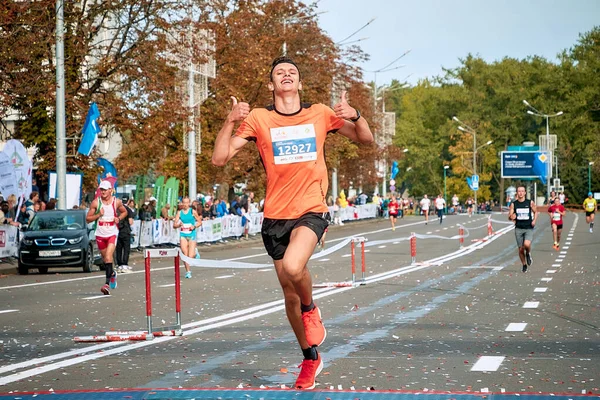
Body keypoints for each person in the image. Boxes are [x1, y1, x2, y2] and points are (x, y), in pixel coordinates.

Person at [211, 56, 373, 390]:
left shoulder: (319, 114)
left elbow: (365, 139)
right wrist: (229, 120)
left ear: (299, 84)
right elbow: (219, 158)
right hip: (275, 216)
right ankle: (310, 357)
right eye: (279, 73)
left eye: (292, 73)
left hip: (311, 209)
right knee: (288, 294)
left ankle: (311, 309)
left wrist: (355, 114)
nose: (286, 75)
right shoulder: (259, 118)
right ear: (271, 85)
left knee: (295, 266)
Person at [86, 180, 128, 295]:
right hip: (100, 233)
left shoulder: (116, 202)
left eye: (105, 190)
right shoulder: (96, 202)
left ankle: (106, 285)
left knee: (109, 258)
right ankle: (112, 274)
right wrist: (99, 215)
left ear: (110, 190)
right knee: (105, 260)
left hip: (112, 232)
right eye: (101, 190)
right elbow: (88, 218)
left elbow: (124, 212)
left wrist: (118, 218)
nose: (103, 192)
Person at [508, 185, 538, 272]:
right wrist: (511, 217)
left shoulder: (530, 202)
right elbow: (510, 216)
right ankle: (524, 264)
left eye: (522, 191)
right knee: (521, 249)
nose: (520, 193)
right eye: (519, 191)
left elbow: (536, 212)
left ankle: (528, 253)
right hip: (518, 228)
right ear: (517, 193)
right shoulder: (514, 204)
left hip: (528, 227)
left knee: (527, 244)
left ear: (525, 192)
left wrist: (534, 220)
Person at [173, 196, 202, 279]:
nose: (185, 204)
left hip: (191, 234)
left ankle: (195, 253)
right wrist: (178, 225)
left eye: (186, 203)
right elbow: (174, 225)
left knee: (190, 256)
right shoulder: (179, 213)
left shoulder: (193, 211)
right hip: (183, 235)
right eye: (184, 203)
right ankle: (188, 271)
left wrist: (194, 226)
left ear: (189, 203)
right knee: (185, 255)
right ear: (182, 203)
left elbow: (200, 222)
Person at [116, 197, 135, 272]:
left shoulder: (117, 209)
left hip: (118, 231)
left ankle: (119, 264)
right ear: (128, 201)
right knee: (126, 248)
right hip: (126, 231)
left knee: (118, 248)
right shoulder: (128, 209)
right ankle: (125, 264)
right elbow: (130, 222)